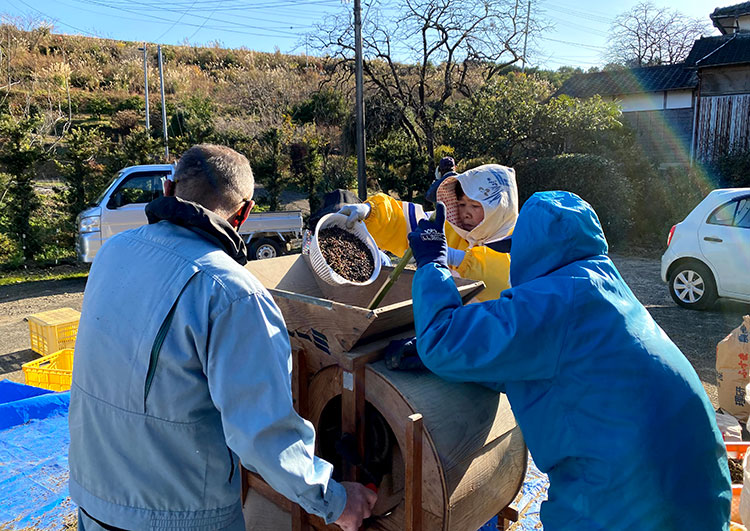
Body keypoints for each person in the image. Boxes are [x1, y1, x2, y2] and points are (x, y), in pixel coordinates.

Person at [68, 144, 376, 531]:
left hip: (93, 498)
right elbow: (263, 436)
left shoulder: (114, 252)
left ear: (167, 189)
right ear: (244, 213)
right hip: (177, 516)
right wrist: (335, 500)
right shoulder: (232, 293)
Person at [405, 191, 731, 530]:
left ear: (529, 247)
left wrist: (432, 263)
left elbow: (441, 339)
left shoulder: (555, 300)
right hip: (700, 497)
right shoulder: (605, 287)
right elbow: (568, 369)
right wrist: (481, 363)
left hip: (628, 506)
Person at [338, 164, 517, 302]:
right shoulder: (451, 226)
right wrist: (370, 211)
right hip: (442, 328)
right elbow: (407, 222)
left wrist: (451, 257)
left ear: (499, 208)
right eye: (461, 204)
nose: (466, 212)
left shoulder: (515, 242)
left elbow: (499, 282)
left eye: (475, 206)